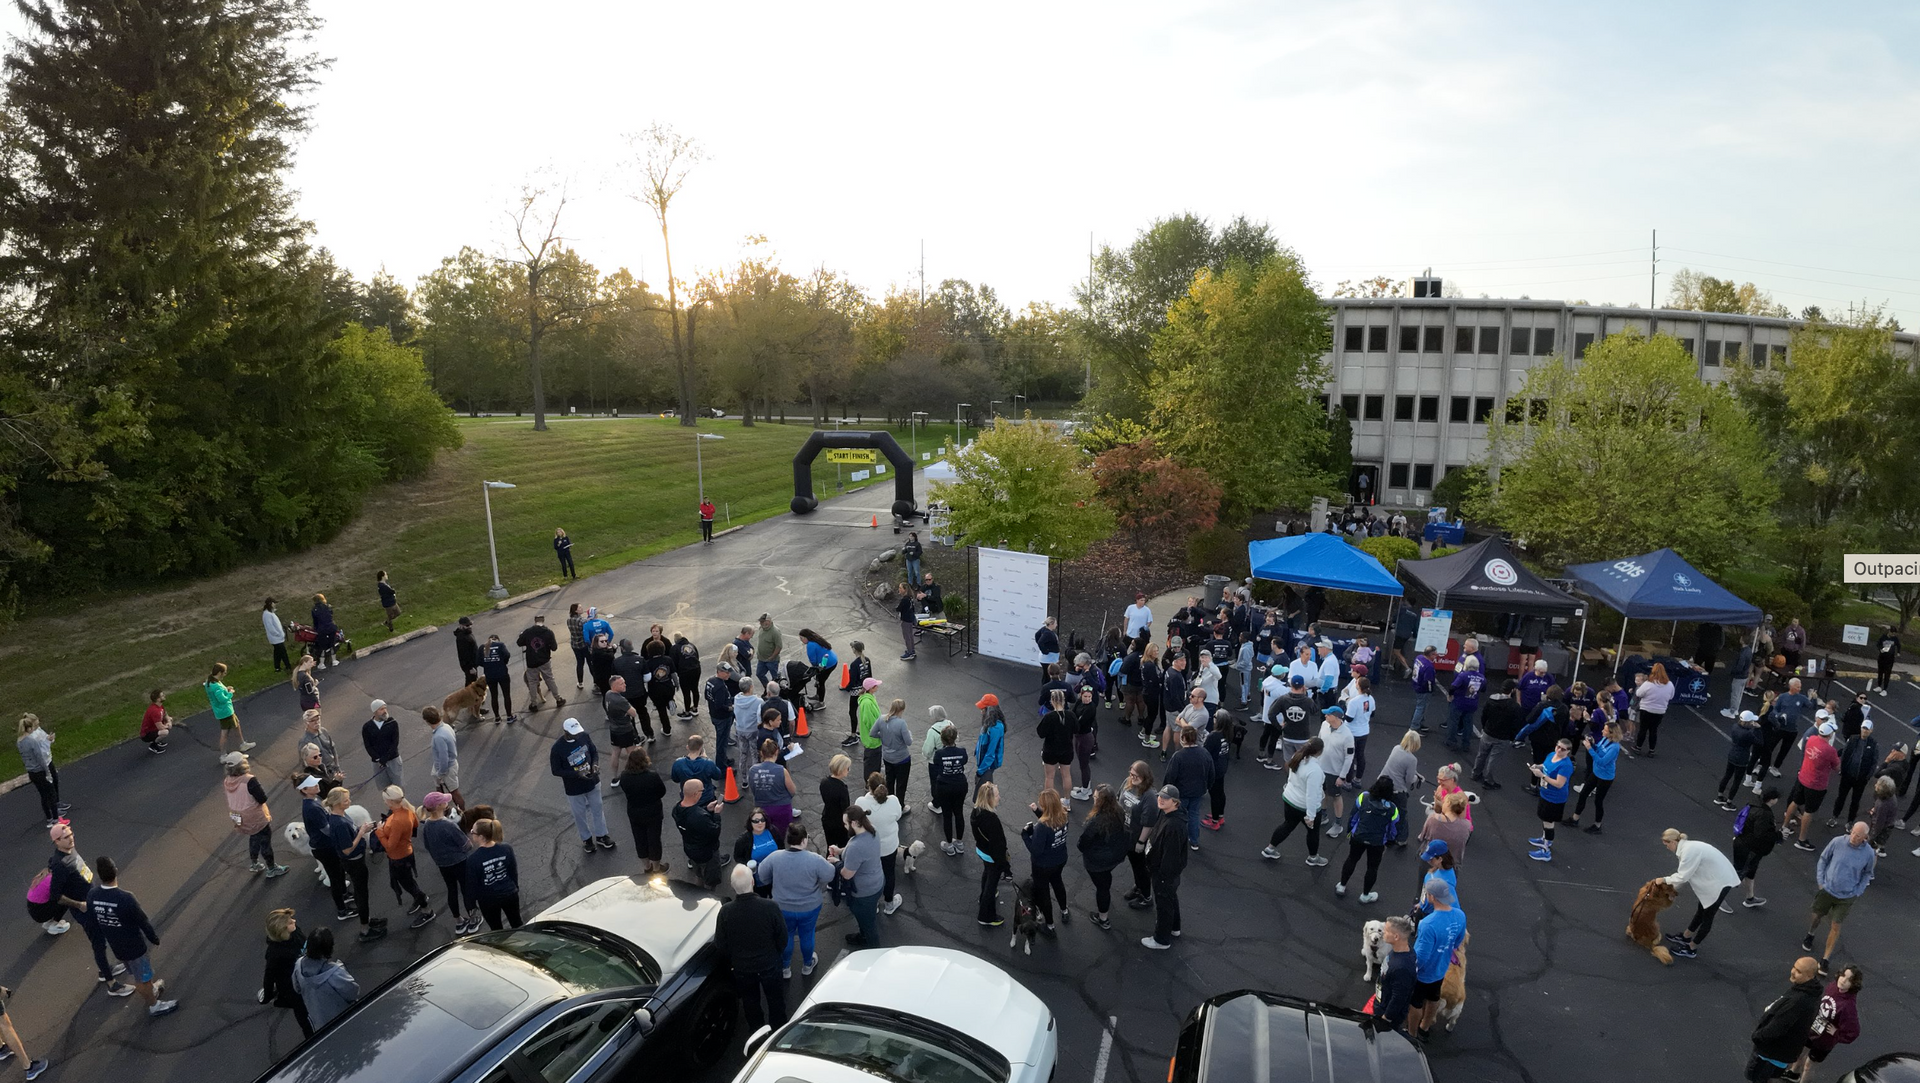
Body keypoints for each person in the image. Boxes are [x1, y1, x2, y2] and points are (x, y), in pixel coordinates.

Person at [85, 857, 178, 1018]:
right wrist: (154, 938)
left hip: (116, 946)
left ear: (99, 875)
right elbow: (143, 921)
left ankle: (151, 990)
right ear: (116, 871)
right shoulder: (125, 898)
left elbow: (93, 919)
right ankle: (153, 1005)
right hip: (135, 946)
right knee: (142, 979)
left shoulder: (93, 895)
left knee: (138, 973)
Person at [718, 863, 789, 1029]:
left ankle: (757, 1032)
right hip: (769, 964)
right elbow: (782, 937)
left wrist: (735, 959)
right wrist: (775, 954)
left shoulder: (726, 912)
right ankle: (779, 1030)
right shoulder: (770, 907)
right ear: (752, 882)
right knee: (776, 1000)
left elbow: (720, 943)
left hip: (743, 968)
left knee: (750, 1002)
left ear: (733, 886)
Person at [1656, 828, 1740, 959]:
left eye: (1666, 844)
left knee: (1708, 916)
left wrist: (1664, 880)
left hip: (1720, 883)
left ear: (1673, 842)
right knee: (1702, 910)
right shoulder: (1688, 847)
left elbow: (1683, 876)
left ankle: (1692, 948)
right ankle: (1686, 937)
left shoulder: (1688, 852)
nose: (1667, 848)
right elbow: (1686, 874)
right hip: (1717, 880)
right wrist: (1673, 890)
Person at [1804, 822, 1874, 969]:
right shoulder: (1837, 842)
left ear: (1865, 837)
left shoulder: (1868, 853)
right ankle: (1811, 933)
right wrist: (1821, 881)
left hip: (1847, 896)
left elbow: (1868, 873)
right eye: (1853, 833)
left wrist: (1858, 891)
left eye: (1858, 835)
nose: (1853, 837)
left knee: (1836, 925)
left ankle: (1825, 959)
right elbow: (1823, 859)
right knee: (1817, 915)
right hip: (1827, 890)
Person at [323, 787, 384, 944]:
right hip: (354, 862)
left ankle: (367, 919)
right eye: (346, 800)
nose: (349, 801)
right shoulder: (339, 823)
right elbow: (347, 849)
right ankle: (365, 929)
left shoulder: (341, 816)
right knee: (361, 893)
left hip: (356, 859)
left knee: (361, 891)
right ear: (337, 803)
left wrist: (362, 829)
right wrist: (361, 832)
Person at [1748, 957, 1823, 1083]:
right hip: (1783, 1053)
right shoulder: (1812, 992)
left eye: (1798, 971)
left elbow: (1777, 1027)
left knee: (1757, 1077)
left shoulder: (1797, 1002)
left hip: (1771, 1054)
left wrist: (1757, 1037)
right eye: (1794, 967)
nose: (1793, 972)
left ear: (1810, 976)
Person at [1409, 879, 1467, 1041]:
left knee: (1416, 1003)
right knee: (1434, 997)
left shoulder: (1428, 924)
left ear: (1432, 897)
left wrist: (1412, 969)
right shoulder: (1460, 915)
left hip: (1423, 973)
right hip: (1441, 968)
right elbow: (1458, 941)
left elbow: (1422, 956)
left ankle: (1412, 1033)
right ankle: (1425, 1028)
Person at [373, 787, 435, 929]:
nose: (384, 803)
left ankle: (426, 909)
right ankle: (420, 900)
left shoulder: (396, 820)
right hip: (407, 852)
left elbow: (390, 846)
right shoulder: (408, 811)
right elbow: (415, 825)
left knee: (408, 884)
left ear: (390, 801)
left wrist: (380, 832)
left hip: (398, 858)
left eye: (385, 800)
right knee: (409, 881)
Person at [552, 718, 615, 855]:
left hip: (592, 781)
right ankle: (587, 839)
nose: (577, 735)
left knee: (598, 808)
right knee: (579, 815)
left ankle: (602, 835)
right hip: (574, 788)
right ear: (566, 732)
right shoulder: (557, 748)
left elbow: (593, 752)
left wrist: (595, 764)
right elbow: (556, 770)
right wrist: (577, 774)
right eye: (574, 733)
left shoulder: (584, 736)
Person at [1335, 777, 1402, 903]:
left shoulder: (1363, 797)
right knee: (1372, 868)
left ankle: (1341, 886)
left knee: (1352, 859)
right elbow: (1393, 829)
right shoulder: (1393, 809)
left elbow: (1353, 816)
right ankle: (1365, 895)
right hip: (1377, 842)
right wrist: (1389, 840)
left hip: (1358, 836)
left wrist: (1350, 831)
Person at [1262, 738, 1327, 865]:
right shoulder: (1315, 770)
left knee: (1288, 825)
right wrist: (1311, 816)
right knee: (1313, 832)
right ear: (1319, 752)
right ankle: (1313, 858)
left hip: (1290, 799)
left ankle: (1270, 848)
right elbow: (1311, 795)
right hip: (1303, 806)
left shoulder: (1297, 757)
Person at [421, 792, 479, 935]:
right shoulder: (448, 825)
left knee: (451, 890)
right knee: (466, 888)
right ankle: (473, 918)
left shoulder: (427, 825)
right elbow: (466, 845)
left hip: (443, 865)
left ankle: (458, 921)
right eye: (444, 801)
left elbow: (427, 845)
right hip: (460, 861)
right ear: (439, 806)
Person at [1794, 966, 1863, 1083]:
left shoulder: (1848, 1007)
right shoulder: (1833, 987)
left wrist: (1836, 1033)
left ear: (1853, 984)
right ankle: (1793, 1073)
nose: (1843, 980)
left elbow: (1853, 1032)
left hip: (1824, 1040)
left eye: (1849, 980)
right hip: (1814, 1028)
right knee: (1800, 1053)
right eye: (1843, 976)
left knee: (1808, 1066)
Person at [1140, 786, 1189, 950]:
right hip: (1165, 872)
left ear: (1175, 802)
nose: (1160, 799)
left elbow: (1171, 856)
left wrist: (1162, 875)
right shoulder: (1167, 813)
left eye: (1165, 798)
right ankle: (1174, 927)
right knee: (1171, 898)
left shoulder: (1174, 826)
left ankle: (1161, 940)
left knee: (1163, 905)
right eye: (1160, 796)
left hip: (1164, 873)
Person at [222, 753, 286, 877]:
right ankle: (272, 868)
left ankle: (254, 863)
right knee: (265, 840)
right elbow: (262, 798)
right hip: (254, 815)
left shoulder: (227, 781)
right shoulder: (249, 780)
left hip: (238, 815)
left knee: (254, 836)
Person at [1077, 785, 1129, 931]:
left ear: (1101, 801)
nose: (1093, 799)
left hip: (1097, 862)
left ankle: (1103, 919)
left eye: (1095, 798)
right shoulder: (1119, 811)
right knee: (1105, 881)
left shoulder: (1096, 821)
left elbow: (1083, 843)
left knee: (1102, 889)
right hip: (1115, 856)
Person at [1784, 721, 1842, 852]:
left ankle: (1784, 827)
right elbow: (1837, 767)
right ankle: (1802, 839)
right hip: (1816, 784)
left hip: (1803, 777)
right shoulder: (1830, 750)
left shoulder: (1811, 739)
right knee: (1808, 812)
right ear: (1830, 735)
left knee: (1795, 802)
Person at [833, 806, 885, 946]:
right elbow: (858, 855)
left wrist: (836, 862)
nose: (844, 826)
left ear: (855, 823)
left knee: (869, 925)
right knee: (868, 919)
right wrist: (840, 851)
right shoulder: (872, 831)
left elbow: (847, 874)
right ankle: (863, 936)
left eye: (846, 823)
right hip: (877, 882)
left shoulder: (856, 846)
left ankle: (874, 950)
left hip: (864, 894)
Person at [1022, 789, 1072, 931]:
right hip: (1060, 859)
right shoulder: (1063, 815)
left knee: (1044, 894)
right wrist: (1037, 811)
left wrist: (1025, 835)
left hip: (1043, 865)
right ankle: (1064, 910)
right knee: (1058, 883)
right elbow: (1052, 823)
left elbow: (1036, 850)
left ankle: (1049, 926)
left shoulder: (1042, 826)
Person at [292, 928, 359, 1032]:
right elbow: (352, 992)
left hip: (318, 1022)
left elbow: (297, 988)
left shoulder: (299, 966)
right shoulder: (336, 973)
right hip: (343, 1019)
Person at [856, 774, 905, 914]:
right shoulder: (893, 801)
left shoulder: (860, 802)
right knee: (889, 874)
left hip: (869, 848)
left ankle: (874, 904)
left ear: (869, 787)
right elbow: (898, 816)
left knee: (870, 875)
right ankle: (889, 904)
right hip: (889, 847)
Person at [261, 908, 311, 1039]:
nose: (294, 921)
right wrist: (267, 995)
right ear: (281, 930)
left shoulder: (295, 932)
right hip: (293, 988)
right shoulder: (274, 953)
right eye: (289, 922)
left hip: (307, 977)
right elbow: (269, 976)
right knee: (304, 1016)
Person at [1565, 721, 1622, 834]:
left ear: (1611, 733)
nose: (1602, 731)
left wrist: (1589, 748)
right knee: (1583, 794)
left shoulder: (1614, 747)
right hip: (1596, 773)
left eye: (1605, 730)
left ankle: (1597, 825)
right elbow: (1598, 749)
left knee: (1598, 801)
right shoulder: (1605, 739)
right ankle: (1575, 818)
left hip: (1605, 777)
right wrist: (1592, 744)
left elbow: (1602, 761)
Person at [465, 818, 522, 930]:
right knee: (517, 922)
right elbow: (512, 871)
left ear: (481, 837)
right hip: (510, 894)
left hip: (488, 900)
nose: (471, 833)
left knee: (496, 928)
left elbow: (472, 883)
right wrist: (515, 886)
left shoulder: (473, 859)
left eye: (473, 832)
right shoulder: (506, 849)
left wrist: (471, 903)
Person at [1527, 738, 1574, 862]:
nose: (1559, 750)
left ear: (1568, 751)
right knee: (1544, 818)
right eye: (1558, 746)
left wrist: (1542, 776)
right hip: (1545, 793)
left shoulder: (1565, 766)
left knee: (1549, 822)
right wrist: (1538, 766)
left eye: (1563, 749)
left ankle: (1546, 851)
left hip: (1555, 798)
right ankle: (1544, 839)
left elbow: (1559, 784)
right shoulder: (1552, 755)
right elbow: (1545, 765)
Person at [672, 780, 725, 889]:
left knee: (698, 874)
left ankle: (697, 891)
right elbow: (715, 832)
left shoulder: (677, 809)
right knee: (711, 880)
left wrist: (707, 809)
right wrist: (716, 814)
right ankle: (708, 895)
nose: (702, 793)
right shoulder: (699, 816)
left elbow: (693, 820)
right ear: (695, 794)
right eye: (701, 791)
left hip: (690, 849)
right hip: (707, 854)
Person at [972, 783, 1011, 926]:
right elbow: (998, 846)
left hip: (982, 851)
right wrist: (1006, 868)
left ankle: (984, 896)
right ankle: (986, 916)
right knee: (992, 882)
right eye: (997, 795)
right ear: (989, 799)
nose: (999, 797)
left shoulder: (976, 812)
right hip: (992, 855)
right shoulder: (992, 820)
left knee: (987, 873)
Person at [16, 716, 65, 827]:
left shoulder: (19, 742)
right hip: (40, 770)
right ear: (29, 728)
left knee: (43, 795)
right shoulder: (32, 741)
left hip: (31, 772)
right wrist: (47, 772)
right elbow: (40, 758)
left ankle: (49, 818)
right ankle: (56, 819)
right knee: (51, 793)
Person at [928, 726, 971, 855]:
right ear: (955, 738)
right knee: (959, 813)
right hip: (960, 785)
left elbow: (936, 764)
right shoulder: (962, 751)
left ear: (942, 740)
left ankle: (949, 844)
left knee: (947, 815)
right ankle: (960, 843)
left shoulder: (939, 754)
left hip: (944, 786)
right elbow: (964, 761)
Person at [1472, 678, 1521, 789]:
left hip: (1488, 732)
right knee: (1493, 759)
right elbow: (1516, 724)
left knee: (1481, 755)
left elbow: (1484, 715)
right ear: (1512, 690)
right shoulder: (1514, 707)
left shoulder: (1491, 700)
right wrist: (1512, 737)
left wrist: (1484, 727)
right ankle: (1488, 781)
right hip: (1502, 737)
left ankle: (1475, 773)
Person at [1262, 674, 1320, 768]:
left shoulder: (1283, 699)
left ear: (1291, 685)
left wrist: (1279, 727)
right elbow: (1315, 710)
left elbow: (1271, 714)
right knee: (1302, 762)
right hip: (1303, 737)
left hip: (1288, 735)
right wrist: (1309, 695)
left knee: (1288, 761)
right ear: (1303, 686)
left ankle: (1289, 777)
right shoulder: (1308, 701)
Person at [1378, 731, 1424, 846]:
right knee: (1401, 815)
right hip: (1397, 790)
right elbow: (1409, 779)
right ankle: (1401, 839)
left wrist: (1415, 773)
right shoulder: (1412, 759)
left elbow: (1399, 766)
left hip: (1382, 784)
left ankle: (1384, 834)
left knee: (1384, 811)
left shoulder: (1396, 748)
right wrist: (1417, 778)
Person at [1831, 719, 1880, 827]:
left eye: (1867, 729)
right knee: (1841, 797)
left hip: (1860, 779)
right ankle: (1834, 817)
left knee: (1855, 801)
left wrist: (1867, 777)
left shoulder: (1873, 744)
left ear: (1871, 730)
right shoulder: (1853, 739)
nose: (1865, 731)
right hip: (1847, 775)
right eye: (1863, 728)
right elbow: (1845, 754)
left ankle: (1850, 821)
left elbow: (1874, 762)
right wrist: (1842, 770)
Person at [1374, 916, 1418, 1034]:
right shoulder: (1404, 951)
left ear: (1396, 937)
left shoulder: (1402, 968)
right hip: (1382, 1001)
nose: (1383, 932)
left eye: (1386, 930)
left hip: (1386, 1014)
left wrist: (1386, 1018)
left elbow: (1399, 998)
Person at [1318, 707, 1356, 837]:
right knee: (1322, 793)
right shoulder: (1324, 725)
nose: (1325, 716)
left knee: (1336, 796)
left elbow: (1349, 757)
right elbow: (1319, 742)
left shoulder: (1347, 735)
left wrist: (1342, 776)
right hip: (1321, 768)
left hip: (1335, 772)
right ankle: (1323, 816)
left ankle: (1338, 824)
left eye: (1328, 715)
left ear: (1336, 717)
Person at [204, 663, 255, 758]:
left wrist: (225, 690)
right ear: (220, 672)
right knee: (225, 733)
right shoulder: (217, 686)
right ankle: (223, 755)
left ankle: (242, 744)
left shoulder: (209, 683)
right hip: (225, 711)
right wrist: (230, 693)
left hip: (221, 711)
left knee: (237, 724)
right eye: (224, 672)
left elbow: (217, 695)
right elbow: (222, 699)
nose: (225, 674)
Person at [516, 614, 565, 712]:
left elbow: (519, 643)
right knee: (549, 679)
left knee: (532, 682)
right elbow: (554, 648)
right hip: (544, 660)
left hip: (532, 662)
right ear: (543, 621)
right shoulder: (548, 632)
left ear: (535, 621)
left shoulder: (528, 632)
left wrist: (523, 637)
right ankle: (558, 699)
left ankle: (534, 704)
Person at [1719, 711, 1766, 809]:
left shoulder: (1735, 727)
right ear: (1748, 722)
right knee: (1736, 781)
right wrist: (1758, 729)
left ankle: (1720, 796)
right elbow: (1760, 743)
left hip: (1732, 754)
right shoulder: (1748, 734)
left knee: (1727, 776)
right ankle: (1729, 802)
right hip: (1742, 758)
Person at [875, 698, 914, 809]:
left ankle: (890, 803)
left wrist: (883, 735)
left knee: (890, 781)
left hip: (887, 757)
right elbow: (908, 742)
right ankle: (900, 806)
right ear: (901, 710)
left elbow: (872, 733)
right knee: (901, 784)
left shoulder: (881, 719)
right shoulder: (901, 723)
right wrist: (909, 734)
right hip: (902, 758)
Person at [425, 706, 464, 813]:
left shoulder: (438, 737)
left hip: (446, 768)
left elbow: (443, 757)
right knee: (439, 789)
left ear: (427, 721)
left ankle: (463, 814)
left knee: (454, 792)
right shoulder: (446, 727)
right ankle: (443, 810)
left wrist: (441, 773)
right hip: (447, 764)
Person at [1442, 655, 1484, 754]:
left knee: (1453, 721)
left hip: (1459, 702)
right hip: (1472, 703)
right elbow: (1483, 689)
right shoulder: (1482, 677)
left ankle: (1451, 741)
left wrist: (1450, 696)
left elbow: (1453, 687)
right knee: (1468, 724)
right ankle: (1466, 744)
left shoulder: (1463, 675)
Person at [1037, 688, 1074, 800]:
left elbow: (1041, 733)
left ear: (1052, 701)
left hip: (1050, 750)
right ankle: (1067, 801)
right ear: (1064, 700)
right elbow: (1077, 729)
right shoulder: (1070, 715)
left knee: (1049, 777)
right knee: (1066, 775)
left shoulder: (1049, 717)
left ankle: (1049, 803)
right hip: (1067, 749)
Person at [1630, 664, 1674, 756]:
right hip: (1660, 711)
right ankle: (1651, 750)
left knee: (1643, 729)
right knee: (1653, 730)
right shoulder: (1670, 685)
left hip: (1646, 709)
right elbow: (1671, 696)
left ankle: (1638, 747)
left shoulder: (1648, 684)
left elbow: (1639, 693)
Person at [1418, 791, 1473, 863]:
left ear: (1448, 804)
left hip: (1431, 859)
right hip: (1452, 861)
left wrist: (1437, 806)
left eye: (1444, 802)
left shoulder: (1433, 819)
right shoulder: (1467, 825)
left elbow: (1422, 836)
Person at [361, 700, 404, 791]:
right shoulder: (367, 727)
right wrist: (377, 758)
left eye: (385, 708)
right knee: (385, 789)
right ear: (375, 711)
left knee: (398, 787)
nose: (385, 711)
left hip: (393, 760)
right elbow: (368, 745)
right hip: (378, 763)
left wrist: (385, 758)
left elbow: (395, 743)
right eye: (381, 709)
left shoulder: (392, 723)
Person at [1202, 708, 1233, 830]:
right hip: (1222, 766)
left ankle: (1214, 822)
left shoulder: (1213, 736)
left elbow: (1205, 753)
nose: (1213, 718)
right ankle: (1220, 816)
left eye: (1215, 717)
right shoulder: (1228, 733)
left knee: (1214, 795)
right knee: (1220, 792)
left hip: (1213, 768)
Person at [840, 641, 873, 744]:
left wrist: (846, 688)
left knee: (852, 712)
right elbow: (869, 675)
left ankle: (853, 735)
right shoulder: (867, 660)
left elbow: (852, 679)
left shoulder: (854, 664)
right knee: (863, 711)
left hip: (856, 691)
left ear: (854, 649)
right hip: (865, 689)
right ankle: (863, 731)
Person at [480, 634, 516, 724]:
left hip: (490, 675)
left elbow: (478, 661)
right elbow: (507, 655)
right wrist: (503, 662)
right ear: (497, 639)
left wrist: (487, 665)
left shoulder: (482, 647)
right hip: (502, 673)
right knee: (506, 695)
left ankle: (497, 718)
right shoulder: (500, 645)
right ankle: (509, 716)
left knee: (494, 696)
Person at [974, 695, 1006, 794]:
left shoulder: (995, 728)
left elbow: (991, 753)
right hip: (985, 764)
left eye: (983, 709)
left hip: (986, 766)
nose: (981, 711)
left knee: (982, 794)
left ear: (989, 710)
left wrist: (980, 772)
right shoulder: (990, 723)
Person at [1408, 646, 1439, 733]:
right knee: (1421, 708)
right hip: (1423, 690)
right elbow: (1428, 681)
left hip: (1416, 684)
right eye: (1435, 654)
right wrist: (1431, 691)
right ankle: (1414, 727)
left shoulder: (1419, 657)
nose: (1436, 656)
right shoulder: (1429, 667)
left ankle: (1419, 722)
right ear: (1431, 655)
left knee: (1420, 706)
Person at [309, 593, 342, 668]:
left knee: (322, 646)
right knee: (332, 644)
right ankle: (334, 660)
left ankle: (322, 663)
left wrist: (316, 628)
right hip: (331, 627)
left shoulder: (314, 610)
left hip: (321, 629)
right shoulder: (328, 606)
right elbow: (331, 616)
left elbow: (315, 621)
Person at [140, 688, 172, 755]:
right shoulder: (155, 711)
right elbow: (160, 727)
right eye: (162, 695)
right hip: (146, 734)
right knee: (165, 732)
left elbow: (165, 714)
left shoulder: (159, 706)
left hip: (153, 729)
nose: (164, 696)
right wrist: (168, 725)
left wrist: (168, 720)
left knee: (168, 722)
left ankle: (157, 740)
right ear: (158, 699)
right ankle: (153, 745)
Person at [264, 597, 292, 672]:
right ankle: (288, 666)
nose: (275, 605)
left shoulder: (270, 613)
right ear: (270, 604)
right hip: (276, 638)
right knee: (283, 652)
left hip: (277, 637)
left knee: (277, 652)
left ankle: (277, 667)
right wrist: (278, 634)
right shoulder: (267, 614)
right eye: (273, 603)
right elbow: (270, 627)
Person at [566, 603, 590, 687]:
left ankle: (580, 682)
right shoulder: (582, 621)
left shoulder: (569, 620)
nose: (582, 608)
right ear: (576, 610)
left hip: (575, 644)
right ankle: (596, 682)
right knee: (590, 662)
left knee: (580, 663)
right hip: (584, 644)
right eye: (580, 607)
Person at [1871, 626, 1900, 696]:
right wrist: (1880, 649)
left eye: (1894, 634)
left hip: (1890, 659)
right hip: (1882, 657)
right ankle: (1879, 686)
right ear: (1889, 631)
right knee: (1880, 672)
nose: (1893, 635)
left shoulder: (1895, 639)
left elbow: (1898, 645)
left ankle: (1885, 689)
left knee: (1887, 674)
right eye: (1892, 633)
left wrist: (1898, 652)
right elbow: (1878, 644)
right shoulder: (1883, 637)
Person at [453, 617, 482, 686]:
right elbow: (464, 654)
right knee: (471, 684)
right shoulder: (462, 638)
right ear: (461, 626)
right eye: (467, 625)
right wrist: (470, 668)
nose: (469, 627)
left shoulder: (468, 634)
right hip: (469, 666)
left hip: (473, 664)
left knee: (472, 682)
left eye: (470, 625)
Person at [1035, 616, 1061, 685]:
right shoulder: (1048, 633)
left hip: (1047, 657)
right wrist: (1045, 651)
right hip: (1049, 658)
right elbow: (1040, 642)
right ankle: (1046, 687)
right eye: (1055, 623)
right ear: (1051, 624)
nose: (1056, 625)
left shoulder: (1044, 629)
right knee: (1047, 676)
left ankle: (1046, 686)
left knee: (1046, 675)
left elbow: (1037, 635)